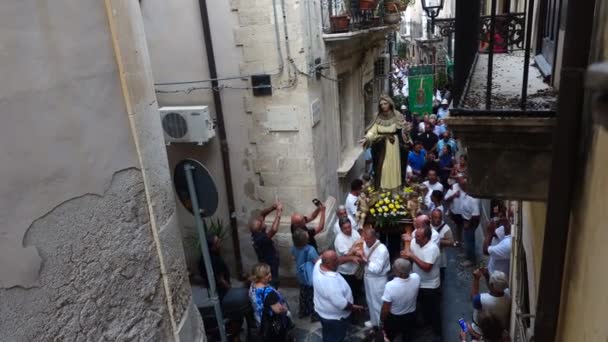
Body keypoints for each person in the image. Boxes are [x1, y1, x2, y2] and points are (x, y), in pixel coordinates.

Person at [313, 250, 364, 342]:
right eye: (336, 261)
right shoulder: (330, 282)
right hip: (335, 318)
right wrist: (353, 307)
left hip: (323, 312)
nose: (338, 262)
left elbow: (338, 260)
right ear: (329, 264)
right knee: (336, 338)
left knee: (328, 333)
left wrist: (350, 258)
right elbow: (341, 304)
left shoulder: (319, 264)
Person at [401, 226, 442, 340]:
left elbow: (427, 267)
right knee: (420, 305)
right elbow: (409, 251)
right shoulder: (415, 241)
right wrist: (406, 254)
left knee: (433, 308)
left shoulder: (432, 249)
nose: (415, 238)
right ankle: (423, 324)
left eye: (418, 236)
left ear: (426, 238)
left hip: (430, 285)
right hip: (417, 281)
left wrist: (412, 257)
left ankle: (437, 332)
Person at [360, 95, 406, 191]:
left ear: (390, 103)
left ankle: (395, 189)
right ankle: (383, 189)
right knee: (383, 168)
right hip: (380, 146)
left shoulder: (397, 115)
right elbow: (372, 131)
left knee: (394, 167)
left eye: (385, 103)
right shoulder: (377, 116)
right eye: (381, 104)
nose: (383, 106)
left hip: (394, 145)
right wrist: (366, 138)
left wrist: (407, 130)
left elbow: (402, 129)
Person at [249, 263, 293, 340]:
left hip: (260, 319)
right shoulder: (268, 292)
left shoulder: (253, 286)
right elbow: (278, 310)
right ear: (259, 277)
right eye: (266, 274)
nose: (270, 274)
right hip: (272, 322)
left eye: (269, 272)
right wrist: (285, 309)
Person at [380, 259, 420, 342]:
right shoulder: (417, 277)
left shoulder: (390, 286)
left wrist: (382, 320)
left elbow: (385, 309)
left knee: (389, 337)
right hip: (411, 315)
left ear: (399, 273)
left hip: (395, 318)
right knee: (408, 337)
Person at [469, 269, 511, 339]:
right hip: (499, 331)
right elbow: (495, 289)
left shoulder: (481, 300)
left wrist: (476, 279)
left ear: (491, 284)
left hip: (480, 331)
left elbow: (473, 297)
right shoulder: (508, 295)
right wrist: (487, 276)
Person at [362, 227, 390, 328]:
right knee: (370, 300)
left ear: (374, 237)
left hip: (378, 280)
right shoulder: (365, 243)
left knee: (378, 303)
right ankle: (374, 321)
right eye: (365, 239)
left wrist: (365, 260)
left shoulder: (382, 250)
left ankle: (381, 326)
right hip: (367, 277)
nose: (366, 241)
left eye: (368, 239)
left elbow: (377, 269)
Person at [250, 202, 283, 288]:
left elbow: (262, 214)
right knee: (272, 281)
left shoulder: (257, 233)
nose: (264, 222)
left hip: (268, 262)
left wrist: (273, 207)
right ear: (261, 228)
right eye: (262, 223)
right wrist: (279, 212)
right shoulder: (261, 239)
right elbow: (274, 230)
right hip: (270, 265)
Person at [291, 229, 320, 321]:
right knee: (313, 295)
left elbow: (293, 258)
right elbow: (317, 262)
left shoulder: (294, 248)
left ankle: (303, 311)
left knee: (303, 294)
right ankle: (314, 314)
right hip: (310, 276)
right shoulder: (310, 250)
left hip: (301, 275)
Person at [483, 213, 512, 278]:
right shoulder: (505, 229)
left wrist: (489, 231)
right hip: (492, 270)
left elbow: (485, 250)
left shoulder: (508, 244)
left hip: (498, 277)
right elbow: (495, 233)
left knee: (492, 286)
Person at [460, 177, 481, 267]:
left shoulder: (473, 198)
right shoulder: (467, 193)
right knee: (466, 238)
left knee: (469, 240)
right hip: (466, 219)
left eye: (463, 185)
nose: (461, 186)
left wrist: (468, 223)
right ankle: (467, 254)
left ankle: (471, 260)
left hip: (470, 222)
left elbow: (476, 215)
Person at [430, 209, 454, 280]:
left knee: (440, 277)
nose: (437, 220)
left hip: (440, 258)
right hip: (427, 257)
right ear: (431, 217)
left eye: (439, 218)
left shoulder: (446, 228)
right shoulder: (427, 225)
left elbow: (451, 242)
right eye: (435, 217)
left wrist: (437, 240)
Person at [445, 174, 465, 246]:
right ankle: (458, 240)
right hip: (456, 212)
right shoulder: (453, 187)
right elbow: (446, 199)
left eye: (461, 179)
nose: (460, 181)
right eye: (458, 179)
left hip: (466, 212)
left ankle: (462, 241)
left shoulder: (468, 188)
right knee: (458, 226)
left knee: (463, 227)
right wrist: (454, 195)